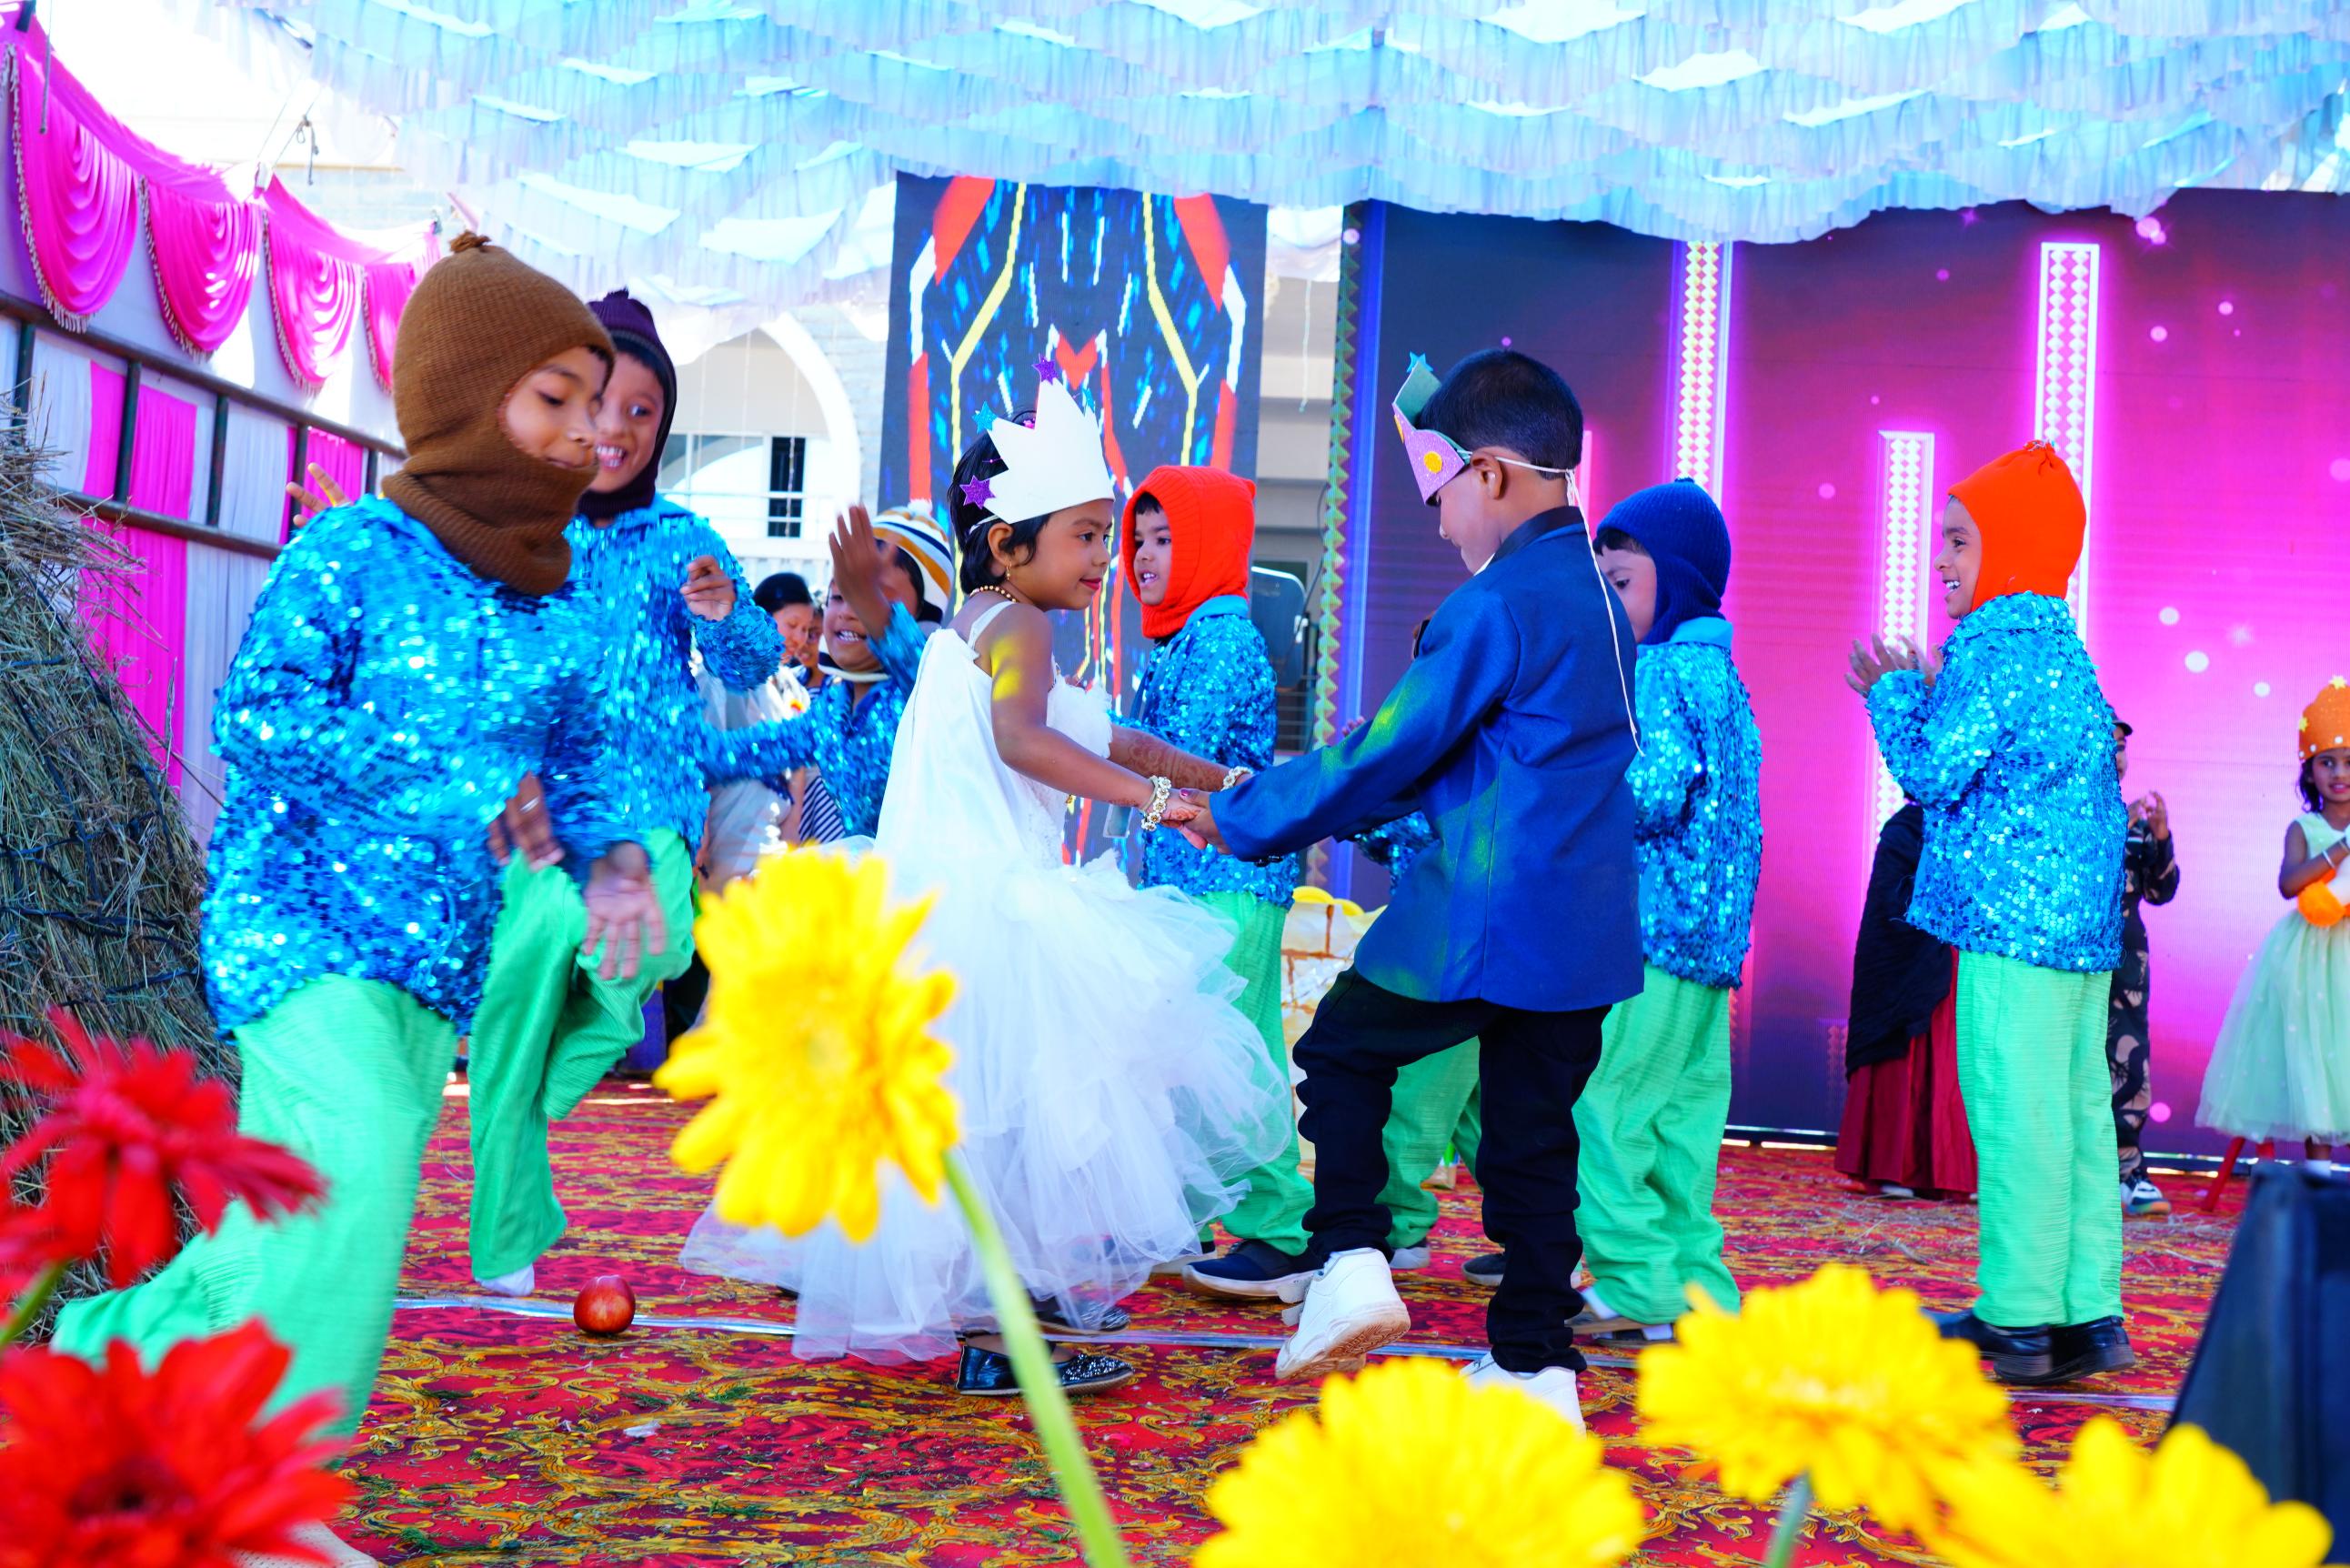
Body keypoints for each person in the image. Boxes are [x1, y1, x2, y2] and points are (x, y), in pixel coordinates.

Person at [51, 236, 669, 1565]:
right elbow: (257, 717)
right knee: (363, 1176)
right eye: (553, 398)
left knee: (296, 1212)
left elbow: (585, 767)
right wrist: (458, 787)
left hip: (435, 964)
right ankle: (268, 1500)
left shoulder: (561, 601)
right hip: (299, 929)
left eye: (599, 405)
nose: (589, 433)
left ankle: (94, 1371)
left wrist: (617, 862)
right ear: (465, 396)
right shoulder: (354, 551)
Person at [681, 373, 1288, 1396]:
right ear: (1007, 544)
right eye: (1086, 536)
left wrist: (1219, 781)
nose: (1103, 558)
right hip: (997, 909)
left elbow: (1108, 734)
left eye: (1107, 536)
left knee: (988, 1135)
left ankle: (1006, 1316)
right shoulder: (1023, 630)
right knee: (1013, 1135)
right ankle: (1002, 1339)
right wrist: (1155, 802)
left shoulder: (975, 622)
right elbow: (1027, 742)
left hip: (942, 914)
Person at [1182, 348, 1642, 1429]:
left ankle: (1349, 1259)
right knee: (1534, 1139)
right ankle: (1536, 1366)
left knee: (1341, 1051)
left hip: (1487, 915)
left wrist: (1244, 812)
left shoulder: (1496, 604)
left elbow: (1389, 749)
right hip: (1581, 928)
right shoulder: (1599, 599)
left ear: (1489, 473)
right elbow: (1471, 757)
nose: (1438, 522)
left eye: (1440, 495)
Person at [461, 289, 785, 1297]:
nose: (617, 429)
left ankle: (530, 1099)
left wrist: (726, 614)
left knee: (646, 958)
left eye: (643, 411)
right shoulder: (520, 527)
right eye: (601, 403)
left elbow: (753, 662)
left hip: (651, 805)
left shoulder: (681, 536)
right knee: (522, 979)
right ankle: (508, 1217)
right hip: (543, 809)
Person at [1848, 440, 2129, 1387]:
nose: (1940, 560)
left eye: (1960, 541)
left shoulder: (1993, 644)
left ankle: (2015, 1316)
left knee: (2016, 1113)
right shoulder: (2062, 651)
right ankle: (2085, 1312)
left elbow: (1932, 770)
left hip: (2012, 926)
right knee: (2075, 1114)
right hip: (2077, 935)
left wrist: (1892, 693)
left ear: (2010, 548)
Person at [1102, 466, 1310, 1296]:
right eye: (1138, 540)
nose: (1145, 557)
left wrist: (1080, 729)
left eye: (1166, 539)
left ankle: (1278, 1230)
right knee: (1203, 1055)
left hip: (1229, 879)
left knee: (1226, 1055)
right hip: (1206, 880)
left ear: (1211, 547)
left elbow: (1176, 756)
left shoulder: (1221, 635)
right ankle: (1192, 1222)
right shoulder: (1187, 636)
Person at [1565, 479, 1761, 1341]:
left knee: (1604, 1108)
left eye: (1621, 584)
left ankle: (1636, 1281)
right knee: (1683, 1123)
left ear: (1675, 582)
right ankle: (1697, 1291)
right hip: (1711, 947)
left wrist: (1574, 781)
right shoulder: (1721, 676)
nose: (1608, 604)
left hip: (1651, 937)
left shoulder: (1660, 671)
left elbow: (1652, 791)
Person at [695, 508, 953, 842]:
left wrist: (870, 603)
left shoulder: (927, 689)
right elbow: (732, 754)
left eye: (873, 595)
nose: (849, 611)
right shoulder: (832, 709)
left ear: (923, 613)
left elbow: (919, 666)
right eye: (840, 595)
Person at [2195, 679, 2350, 1171]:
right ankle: (2318, 1180)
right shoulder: (2303, 828)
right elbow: (2289, 883)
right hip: (2313, 959)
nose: (2339, 774)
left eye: (2349, 762)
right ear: (2309, 770)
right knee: (2319, 1059)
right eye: (2327, 763)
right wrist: (2343, 846)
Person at [1834, 802, 1976, 1201]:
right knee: (1904, 1055)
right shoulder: (1905, 829)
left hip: (1957, 966)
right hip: (1909, 966)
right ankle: (1893, 1167)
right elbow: (1889, 909)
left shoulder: (1977, 827)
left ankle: (1950, 1172)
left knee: (1957, 1067)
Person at [2109, 719, 2180, 1217]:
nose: (2116, 756)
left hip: (2125, 961)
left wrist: (2160, 836)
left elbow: (2160, 890)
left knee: (2128, 1061)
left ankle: (2129, 1172)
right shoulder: (2057, 812)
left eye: (2120, 747)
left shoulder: (2136, 823)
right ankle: (2067, 1173)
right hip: (2067, 959)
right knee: (2066, 1061)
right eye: (2105, 745)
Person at [756, 571, 823, 687]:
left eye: (805, 629)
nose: (800, 639)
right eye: (792, 624)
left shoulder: (791, 684)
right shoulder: (729, 676)